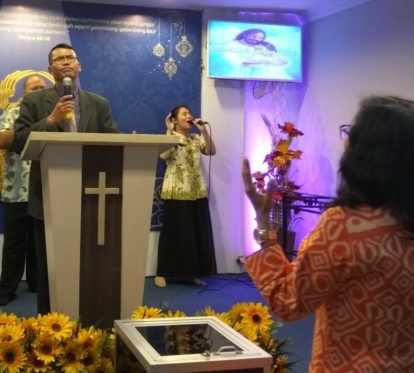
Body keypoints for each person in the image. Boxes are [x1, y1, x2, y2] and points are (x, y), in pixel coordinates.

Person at [242, 95, 414, 372]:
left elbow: (288, 301)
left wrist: (264, 228)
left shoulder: (345, 226)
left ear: (367, 154)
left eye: (350, 132)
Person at [13, 43, 119, 314]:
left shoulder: (98, 103)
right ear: (50, 69)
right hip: (48, 195)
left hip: (91, 196)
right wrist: (50, 120)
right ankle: (50, 323)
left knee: (90, 262)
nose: (65, 62)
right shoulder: (34, 102)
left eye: (70, 58)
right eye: (59, 59)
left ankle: (91, 320)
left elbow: (113, 143)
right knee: (50, 267)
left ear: (79, 65)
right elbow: (19, 141)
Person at [0, 74, 46, 306]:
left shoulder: (53, 115)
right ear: (23, 93)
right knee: (14, 245)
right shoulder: (12, 113)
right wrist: (34, 127)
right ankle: (7, 290)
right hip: (16, 192)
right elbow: (1, 140)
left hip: (44, 191)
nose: (39, 91)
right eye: (34, 88)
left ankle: (37, 283)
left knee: (40, 244)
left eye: (42, 87)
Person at [155, 105, 216, 288]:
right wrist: (169, 131)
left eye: (189, 113)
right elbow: (163, 155)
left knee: (194, 234)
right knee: (173, 233)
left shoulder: (196, 138)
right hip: (176, 190)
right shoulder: (171, 137)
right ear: (174, 120)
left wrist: (203, 130)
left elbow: (211, 151)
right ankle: (162, 273)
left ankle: (191, 274)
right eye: (184, 114)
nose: (189, 116)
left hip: (196, 191)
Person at [221, 28, 289, 79]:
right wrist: (269, 61)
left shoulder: (262, 45)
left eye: (260, 38)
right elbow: (240, 61)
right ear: (245, 34)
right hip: (245, 75)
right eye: (253, 36)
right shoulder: (233, 45)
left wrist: (268, 53)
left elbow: (284, 61)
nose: (256, 39)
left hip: (268, 76)